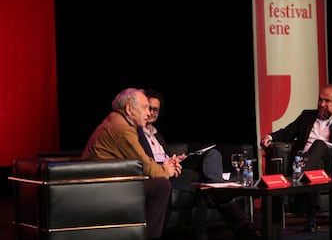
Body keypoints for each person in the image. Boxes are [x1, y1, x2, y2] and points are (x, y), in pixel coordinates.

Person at [138, 89, 262, 240]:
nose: (151, 112)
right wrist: (167, 163)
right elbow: (144, 161)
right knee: (202, 178)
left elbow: (165, 155)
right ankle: (240, 223)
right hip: (162, 172)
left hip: (173, 165)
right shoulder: (136, 132)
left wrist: (175, 159)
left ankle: (214, 185)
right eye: (148, 108)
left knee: (212, 153)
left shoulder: (156, 133)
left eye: (155, 109)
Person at [81, 88, 183, 240]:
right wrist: (166, 170)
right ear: (129, 109)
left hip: (108, 183)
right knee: (161, 185)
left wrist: (164, 167)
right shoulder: (122, 128)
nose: (149, 113)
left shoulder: (117, 121)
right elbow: (146, 165)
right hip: (104, 187)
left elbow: (142, 162)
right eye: (145, 108)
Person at [260, 83, 332, 232]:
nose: (321, 104)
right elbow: (287, 132)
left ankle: (296, 179)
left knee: (319, 144)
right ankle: (311, 218)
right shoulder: (307, 116)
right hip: (309, 162)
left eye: (327, 101)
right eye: (320, 100)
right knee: (315, 168)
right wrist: (270, 136)